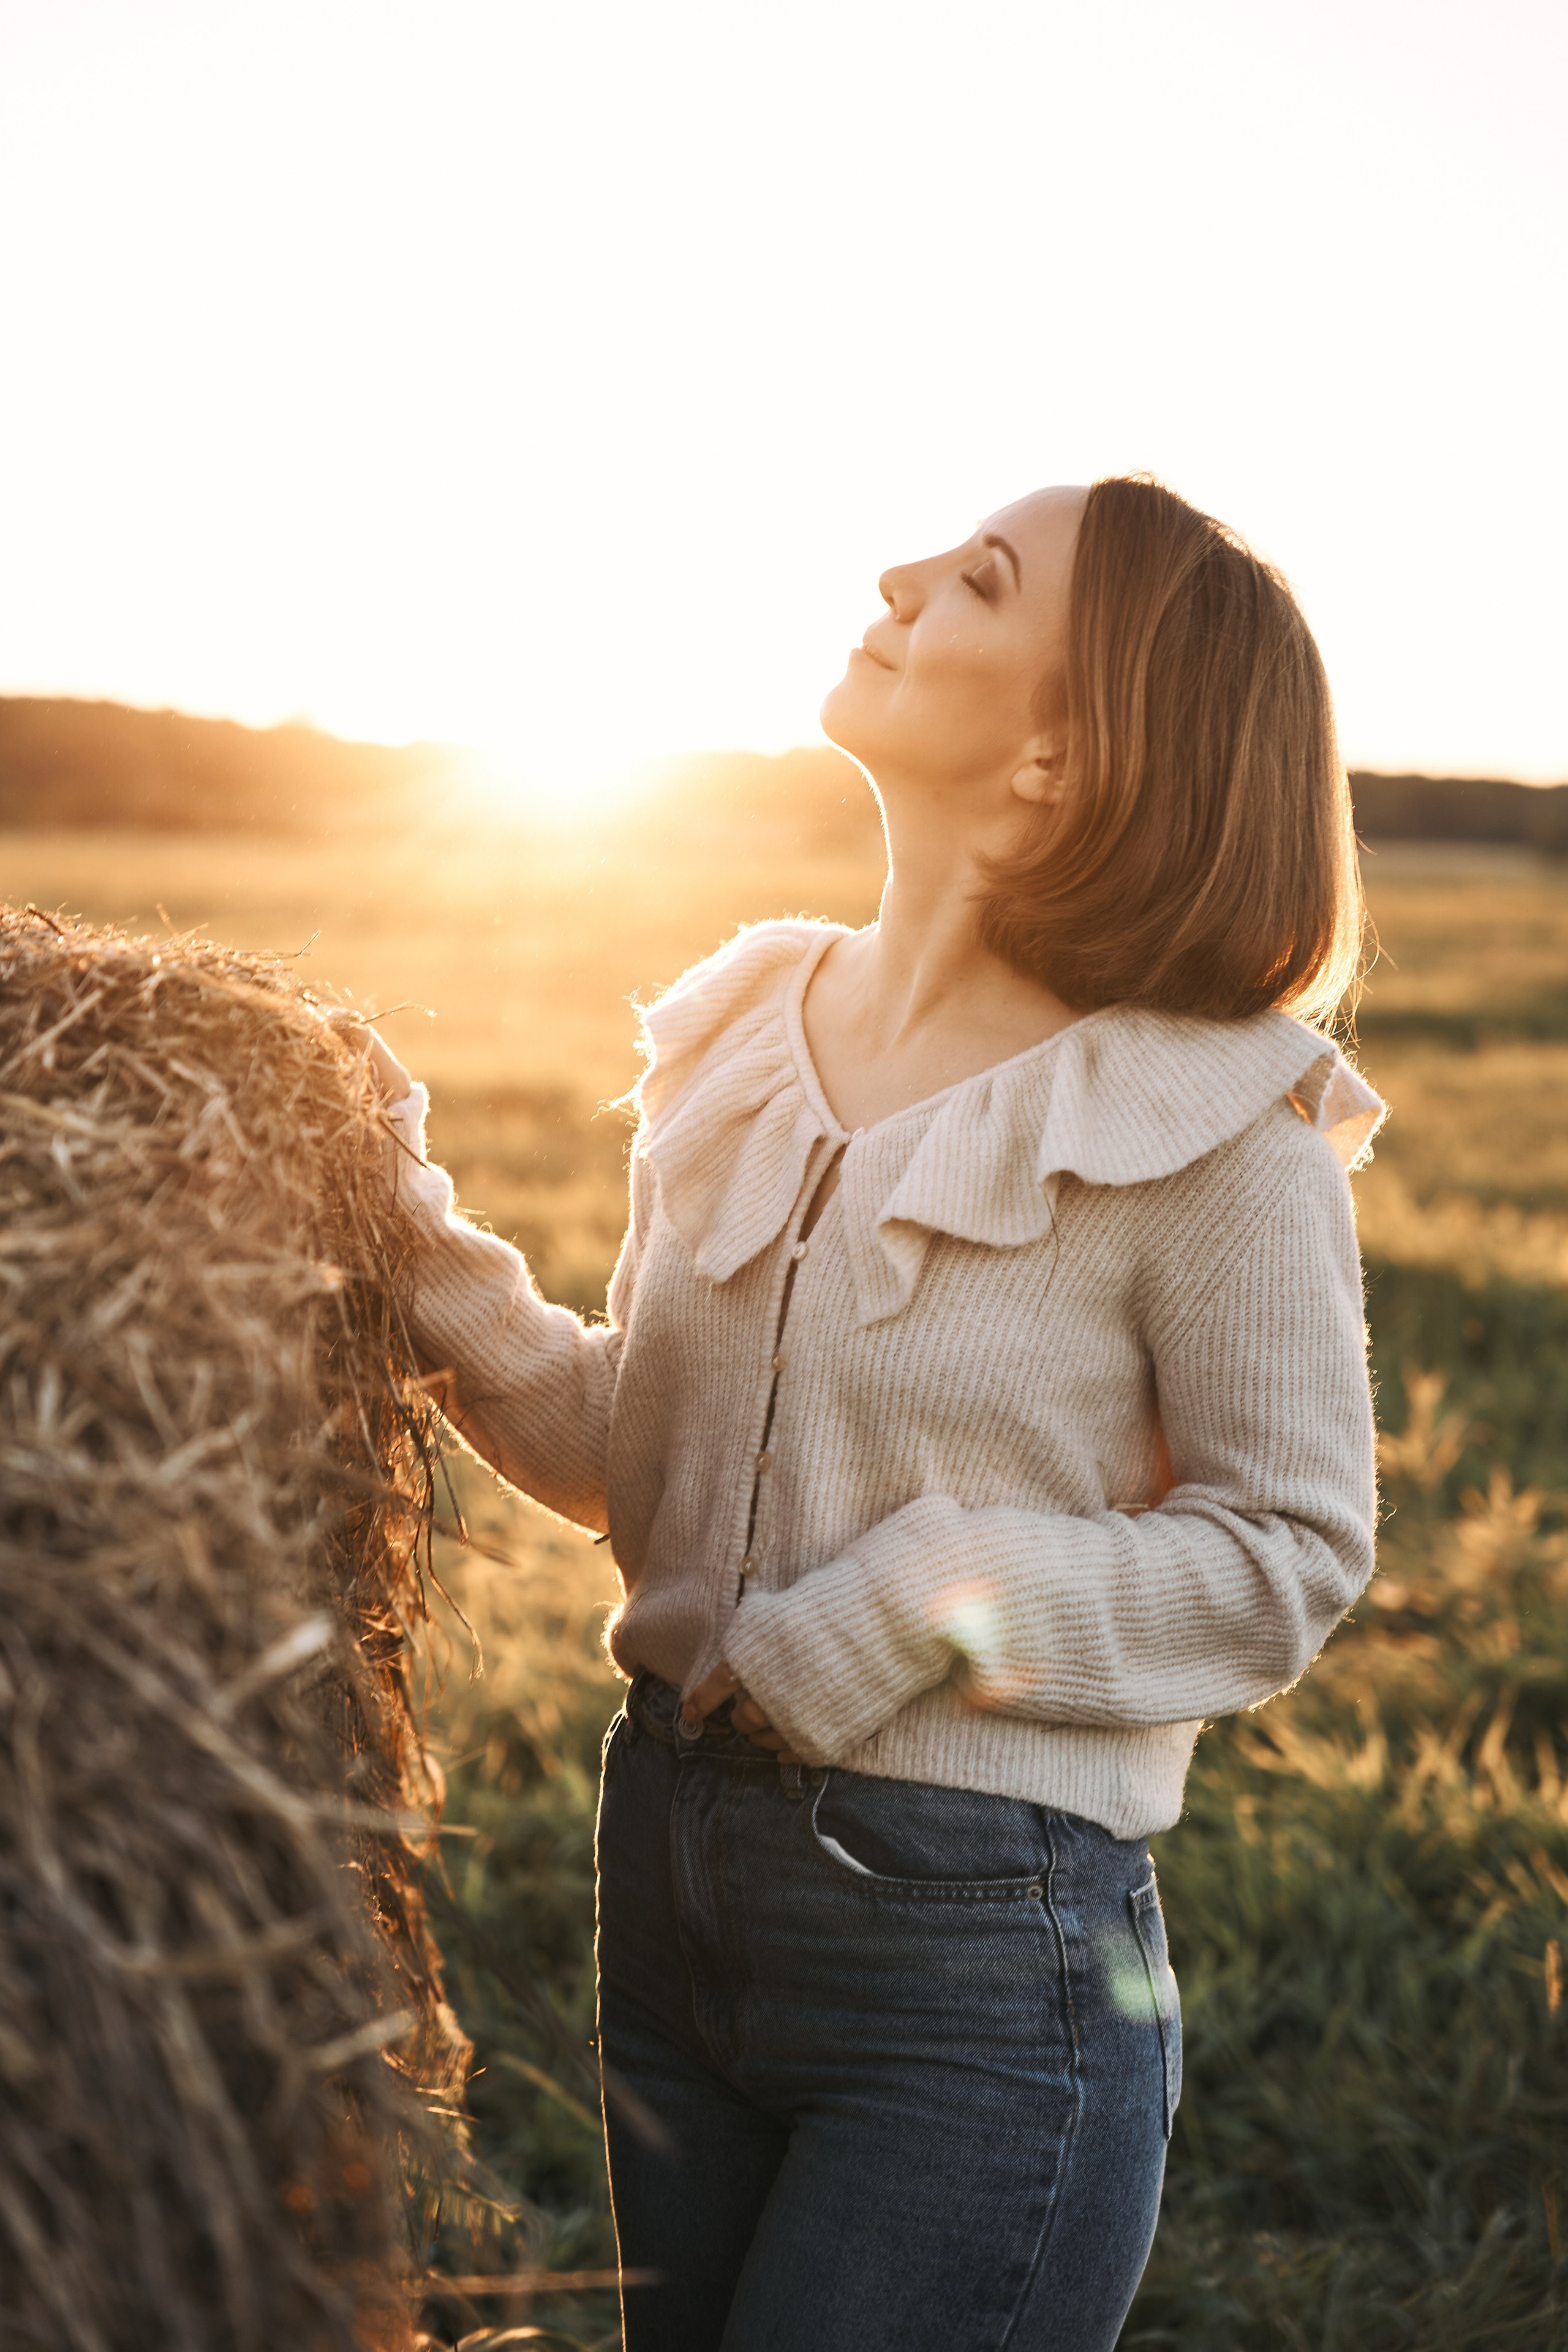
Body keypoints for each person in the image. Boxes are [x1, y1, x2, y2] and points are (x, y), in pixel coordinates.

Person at [362, 475, 1384, 2352]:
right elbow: (647, 1461)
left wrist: (917, 1607)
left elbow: (1287, 1561)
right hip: (669, 1882)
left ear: (1070, 756)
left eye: (979, 581)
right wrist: (405, 1243)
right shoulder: (746, 1030)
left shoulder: (1218, 1127)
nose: (901, 577)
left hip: (979, 1967)